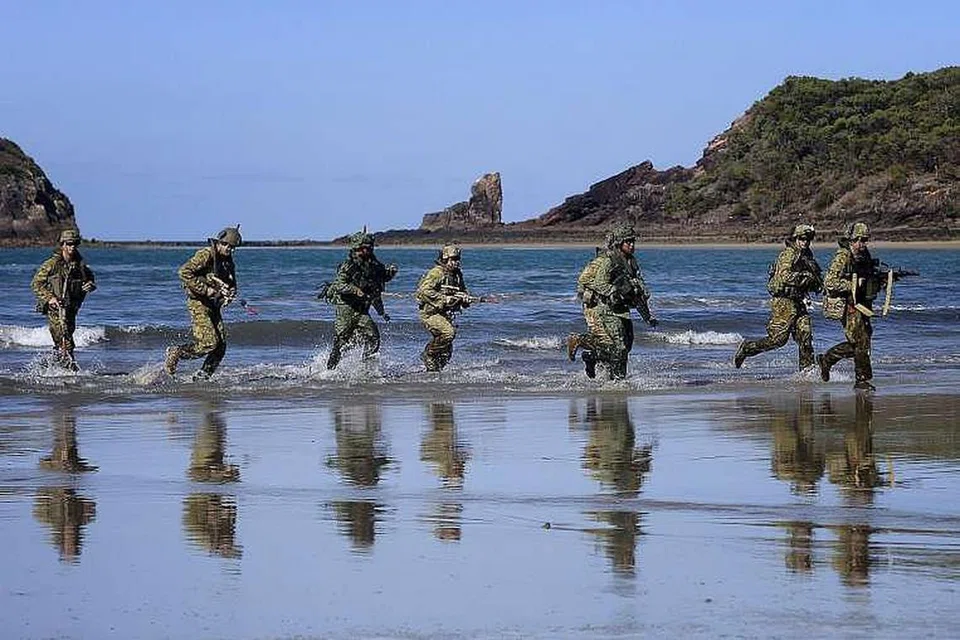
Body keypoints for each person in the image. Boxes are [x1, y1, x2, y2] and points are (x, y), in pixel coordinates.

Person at [735, 223, 822, 371]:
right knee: (778, 340)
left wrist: (816, 284)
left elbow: (815, 278)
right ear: (795, 239)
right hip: (783, 302)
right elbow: (784, 276)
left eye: (808, 239)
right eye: (802, 239)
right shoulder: (788, 254)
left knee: (805, 337)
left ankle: (807, 372)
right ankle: (747, 348)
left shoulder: (807, 256)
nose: (805, 242)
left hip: (798, 300)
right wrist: (805, 277)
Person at [578, 224, 658, 380]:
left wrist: (647, 316)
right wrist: (615, 292)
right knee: (619, 347)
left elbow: (638, 291)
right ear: (620, 243)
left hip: (622, 310)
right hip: (607, 309)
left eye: (633, 241)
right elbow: (599, 283)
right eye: (628, 242)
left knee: (626, 346)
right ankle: (617, 379)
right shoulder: (609, 261)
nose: (632, 245)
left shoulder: (632, 262)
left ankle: (597, 361)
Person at [165, 226, 242, 380]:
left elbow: (231, 282)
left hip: (214, 305)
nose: (229, 250)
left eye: (232, 247)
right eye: (226, 245)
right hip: (199, 303)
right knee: (208, 343)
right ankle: (177, 352)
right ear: (219, 242)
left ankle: (202, 377)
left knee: (220, 347)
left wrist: (230, 292)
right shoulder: (206, 254)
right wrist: (206, 290)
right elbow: (184, 272)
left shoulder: (227, 261)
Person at [816, 222, 884, 391]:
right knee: (859, 341)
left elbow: (867, 275)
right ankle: (861, 380)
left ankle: (827, 359)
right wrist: (852, 284)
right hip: (848, 305)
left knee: (863, 341)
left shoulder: (864, 255)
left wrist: (878, 280)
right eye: (857, 240)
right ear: (850, 239)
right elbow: (829, 282)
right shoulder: (843, 256)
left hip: (862, 304)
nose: (861, 244)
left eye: (864, 240)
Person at [321, 230, 398, 370]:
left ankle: (365, 367)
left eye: (369, 248)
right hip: (346, 308)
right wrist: (355, 290)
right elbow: (339, 285)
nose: (366, 251)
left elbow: (376, 289)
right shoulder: (348, 266)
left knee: (373, 337)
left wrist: (381, 312)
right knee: (342, 340)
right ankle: (330, 370)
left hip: (362, 311)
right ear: (356, 249)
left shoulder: (374, 266)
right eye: (363, 248)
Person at [31, 228, 97, 371]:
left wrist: (90, 285)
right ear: (62, 245)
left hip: (71, 309)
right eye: (69, 244)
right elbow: (36, 283)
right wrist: (50, 298)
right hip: (55, 309)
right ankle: (70, 370)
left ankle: (51, 367)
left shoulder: (79, 265)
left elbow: (90, 278)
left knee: (64, 339)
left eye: (75, 244)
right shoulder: (52, 264)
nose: (72, 247)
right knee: (64, 339)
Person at [415, 244, 474, 372]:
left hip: (445, 315)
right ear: (445, 259)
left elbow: (462, 291)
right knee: (448, 333)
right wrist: (443, 299)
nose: (456, 262)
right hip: (430, 314)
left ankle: (433, 373)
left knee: (446, 353)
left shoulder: (457, 275)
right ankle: (428, 354)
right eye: (453, 259)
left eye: (458, 259)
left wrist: (465, 299)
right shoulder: (436, 273)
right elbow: (424, 291)